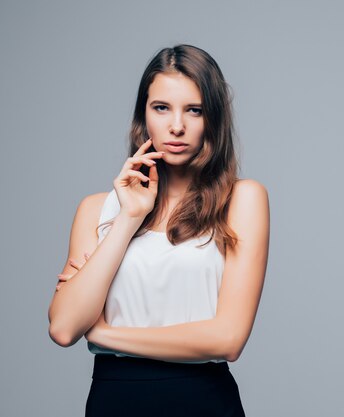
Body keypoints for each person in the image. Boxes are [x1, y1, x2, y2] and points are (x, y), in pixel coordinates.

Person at [47, 44, 270, 417]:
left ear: (212, 118)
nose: (177, 125)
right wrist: (129, 217)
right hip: (113, 401)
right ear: (143, 116)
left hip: (202, 400)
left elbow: (228, 339)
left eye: (194, 110)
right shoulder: (97, 210)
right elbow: (65, 328)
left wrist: (104, 334)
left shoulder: (242, 200)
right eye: (161, 108)